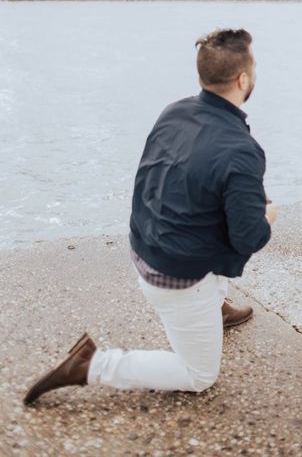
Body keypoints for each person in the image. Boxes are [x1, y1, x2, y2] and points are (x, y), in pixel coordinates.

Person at [24, 28, 277, 404]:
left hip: (145, 245)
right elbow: (247, 239)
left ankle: (214, 309)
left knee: (220, 202)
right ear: (243, 79)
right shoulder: (242, 151)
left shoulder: (175, 111)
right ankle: (93, 364)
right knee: (199, 375)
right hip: (175, 274)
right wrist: (266, 219)